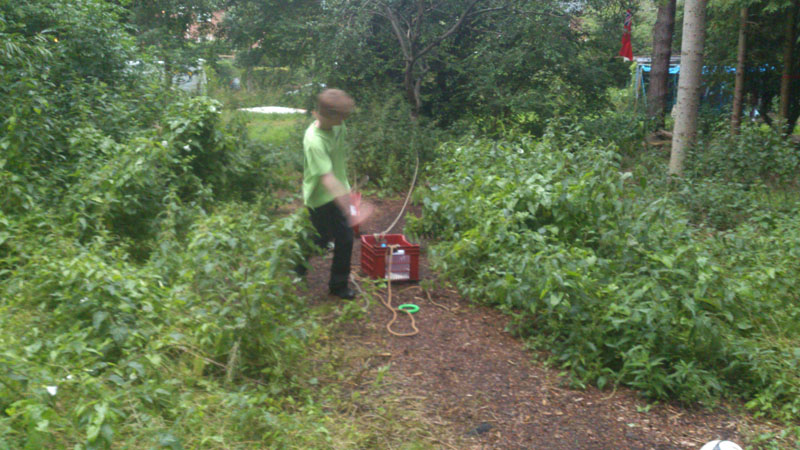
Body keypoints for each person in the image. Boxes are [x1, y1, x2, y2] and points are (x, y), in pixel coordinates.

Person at [299, 89, 372, 299]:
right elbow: (327, 179)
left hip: (337, 192)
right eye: (342, 116)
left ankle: (329, 282)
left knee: (332, 239)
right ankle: (327, 281)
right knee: (332, 239)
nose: (345, 120)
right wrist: (353, 208)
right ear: (330, 116)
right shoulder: (314, 141)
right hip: (320, 198)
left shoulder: (338, 125)